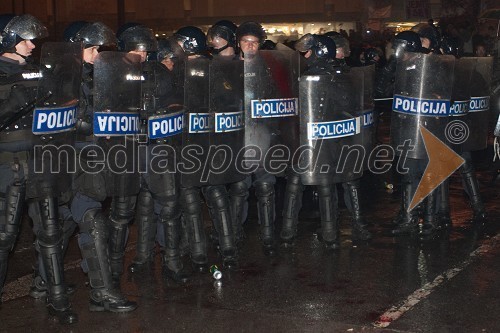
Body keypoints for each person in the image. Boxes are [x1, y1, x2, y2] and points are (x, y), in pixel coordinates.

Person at [0, 14, 78, 324]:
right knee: (5, 237)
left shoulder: (38, 73)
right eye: (25, 40)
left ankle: (58, 300)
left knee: (50, 231)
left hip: (41, 161)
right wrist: (12, 103)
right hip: (8, 167)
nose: (32, 45)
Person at [68, 20, 138, 312]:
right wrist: (93, 123)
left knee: (64, 227)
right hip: (70, 160)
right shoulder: (63, 77)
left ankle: (48, 283)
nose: (97, 55)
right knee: (89, 221)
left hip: (98, 157)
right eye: (93, 48)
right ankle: (102, 291)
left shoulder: (98, 76)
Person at [175, 26, 239, 270]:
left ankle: (198, 253)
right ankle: (228, 248)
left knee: (192, 197)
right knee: (216, 194)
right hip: (213, 143)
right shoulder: (216, 67)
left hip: (190, 144)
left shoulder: (181, 70)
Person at [127, 32, 189, 283]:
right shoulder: (124, 73)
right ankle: (144, 259)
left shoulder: (162, 75)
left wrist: (167, 111)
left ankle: (170, 261)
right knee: (145, 206)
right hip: (135, 149)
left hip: (158, 147)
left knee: (166, 204)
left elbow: (177, 102)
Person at [230, 21, 278, 256]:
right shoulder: (228, 67)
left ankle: (268, 234)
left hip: (261, 131)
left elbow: (277, 96)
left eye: (255, 42)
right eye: (246, 42)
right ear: (238, 43)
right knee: (240, 186)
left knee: (266, 183)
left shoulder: (267, 66)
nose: (250, 46)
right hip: (238, 134)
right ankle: (235, 234)